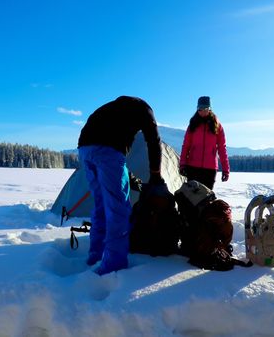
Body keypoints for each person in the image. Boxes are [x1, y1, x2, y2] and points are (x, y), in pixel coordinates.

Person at [78, 96, 163, 275]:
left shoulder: (116, 108)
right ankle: (113, 267)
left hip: (85, 148)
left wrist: (130, 179)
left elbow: (115, 161)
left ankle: (95, 256)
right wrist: (156, 174)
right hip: (106, 150)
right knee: (118, 210)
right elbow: (154, 141)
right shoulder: (145, 110)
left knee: (101, 205)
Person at [179, 96, 230, 190]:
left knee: (206, 200)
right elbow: (186, 146)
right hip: (193, 167)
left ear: (210, 109)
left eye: (205, 108)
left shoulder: (217, 126)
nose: (202, 111)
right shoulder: (193, 124)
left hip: (210, 170)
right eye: (199, 109)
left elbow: (222, 148)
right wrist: (182, 164)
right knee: (191, 198)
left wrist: (226, 169)